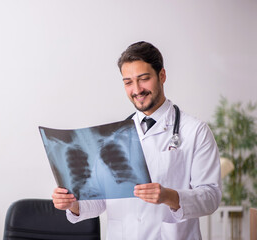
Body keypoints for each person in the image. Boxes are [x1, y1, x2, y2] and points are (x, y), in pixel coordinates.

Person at [51, 41, 222, 240]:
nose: (137, 89)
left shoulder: (195, 131)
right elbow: (100, 201)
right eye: (128, 82)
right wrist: (72, 203)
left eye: (143, 79)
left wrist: (169, 196)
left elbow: (211, 197)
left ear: (162, 76)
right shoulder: (112, 136)